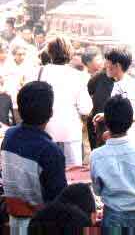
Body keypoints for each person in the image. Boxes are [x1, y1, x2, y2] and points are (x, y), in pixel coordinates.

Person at [90, 95, 135, 229]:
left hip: (112, 216)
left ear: (106, 123)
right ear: (131, 122)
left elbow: (97, 189)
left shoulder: (96, 155)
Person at [1, 81, 67, 228]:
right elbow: (58, 201)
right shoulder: (49, 151)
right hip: (38, 224)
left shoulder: (9, 136)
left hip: (14, 220)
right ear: (50, 112)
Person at [29, 37, 92, 167]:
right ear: (69, 54)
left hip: (44, 131)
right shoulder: (79, 76)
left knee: (46, 173)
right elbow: (85, 108)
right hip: (70, 133)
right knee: (72, 176)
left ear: (49, 53)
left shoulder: (38, 72)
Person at [93, 47, 135, 139]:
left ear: (117, 65)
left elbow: (133, 115)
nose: (105, 65)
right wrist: (105, 116)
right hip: (118, 136)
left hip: (127, 137)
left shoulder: (129, 84)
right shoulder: (117, 83)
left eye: (108, 62)